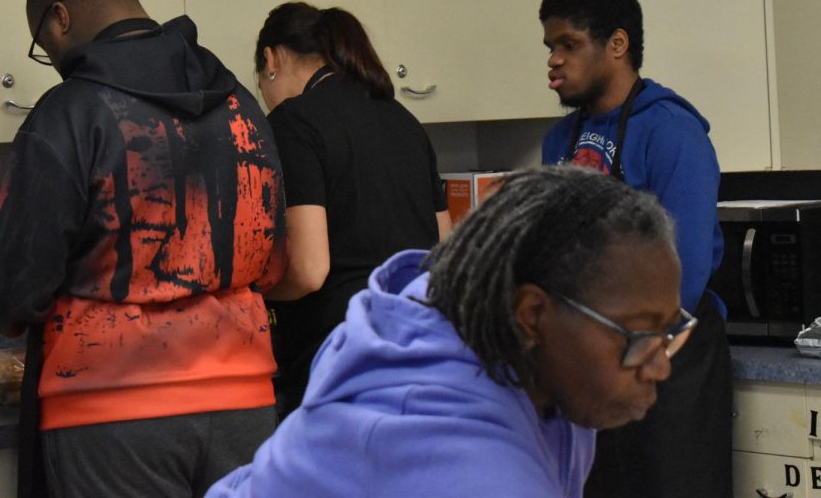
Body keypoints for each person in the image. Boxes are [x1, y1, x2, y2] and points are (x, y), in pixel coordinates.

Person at [0, 0, 285, 498]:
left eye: (47, 45)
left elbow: (16, 281)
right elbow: (272, 252)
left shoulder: (71, 111)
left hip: (112, 409)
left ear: (60, 17)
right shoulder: (241, 105)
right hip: (246, 402)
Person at [207, 166, 693, 498]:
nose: (661, 364)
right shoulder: (461, 461)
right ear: (532, 315)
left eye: (668, 330)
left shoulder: (484, 322)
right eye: (636, 336)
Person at [539, 0, 732, 498]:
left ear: (617, 44)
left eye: (569, 44)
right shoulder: (560, 140)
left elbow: (684, 272)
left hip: (667, 360)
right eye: (550, 46)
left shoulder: (671, 130)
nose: (554, 59)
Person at [253, 1, 450, 416]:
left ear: (271, 60)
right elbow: (444, 250)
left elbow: (309, 270)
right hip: (416, 347)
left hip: (339, 355)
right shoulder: (405, 121)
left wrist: (252, 293)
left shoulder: (294, 122)